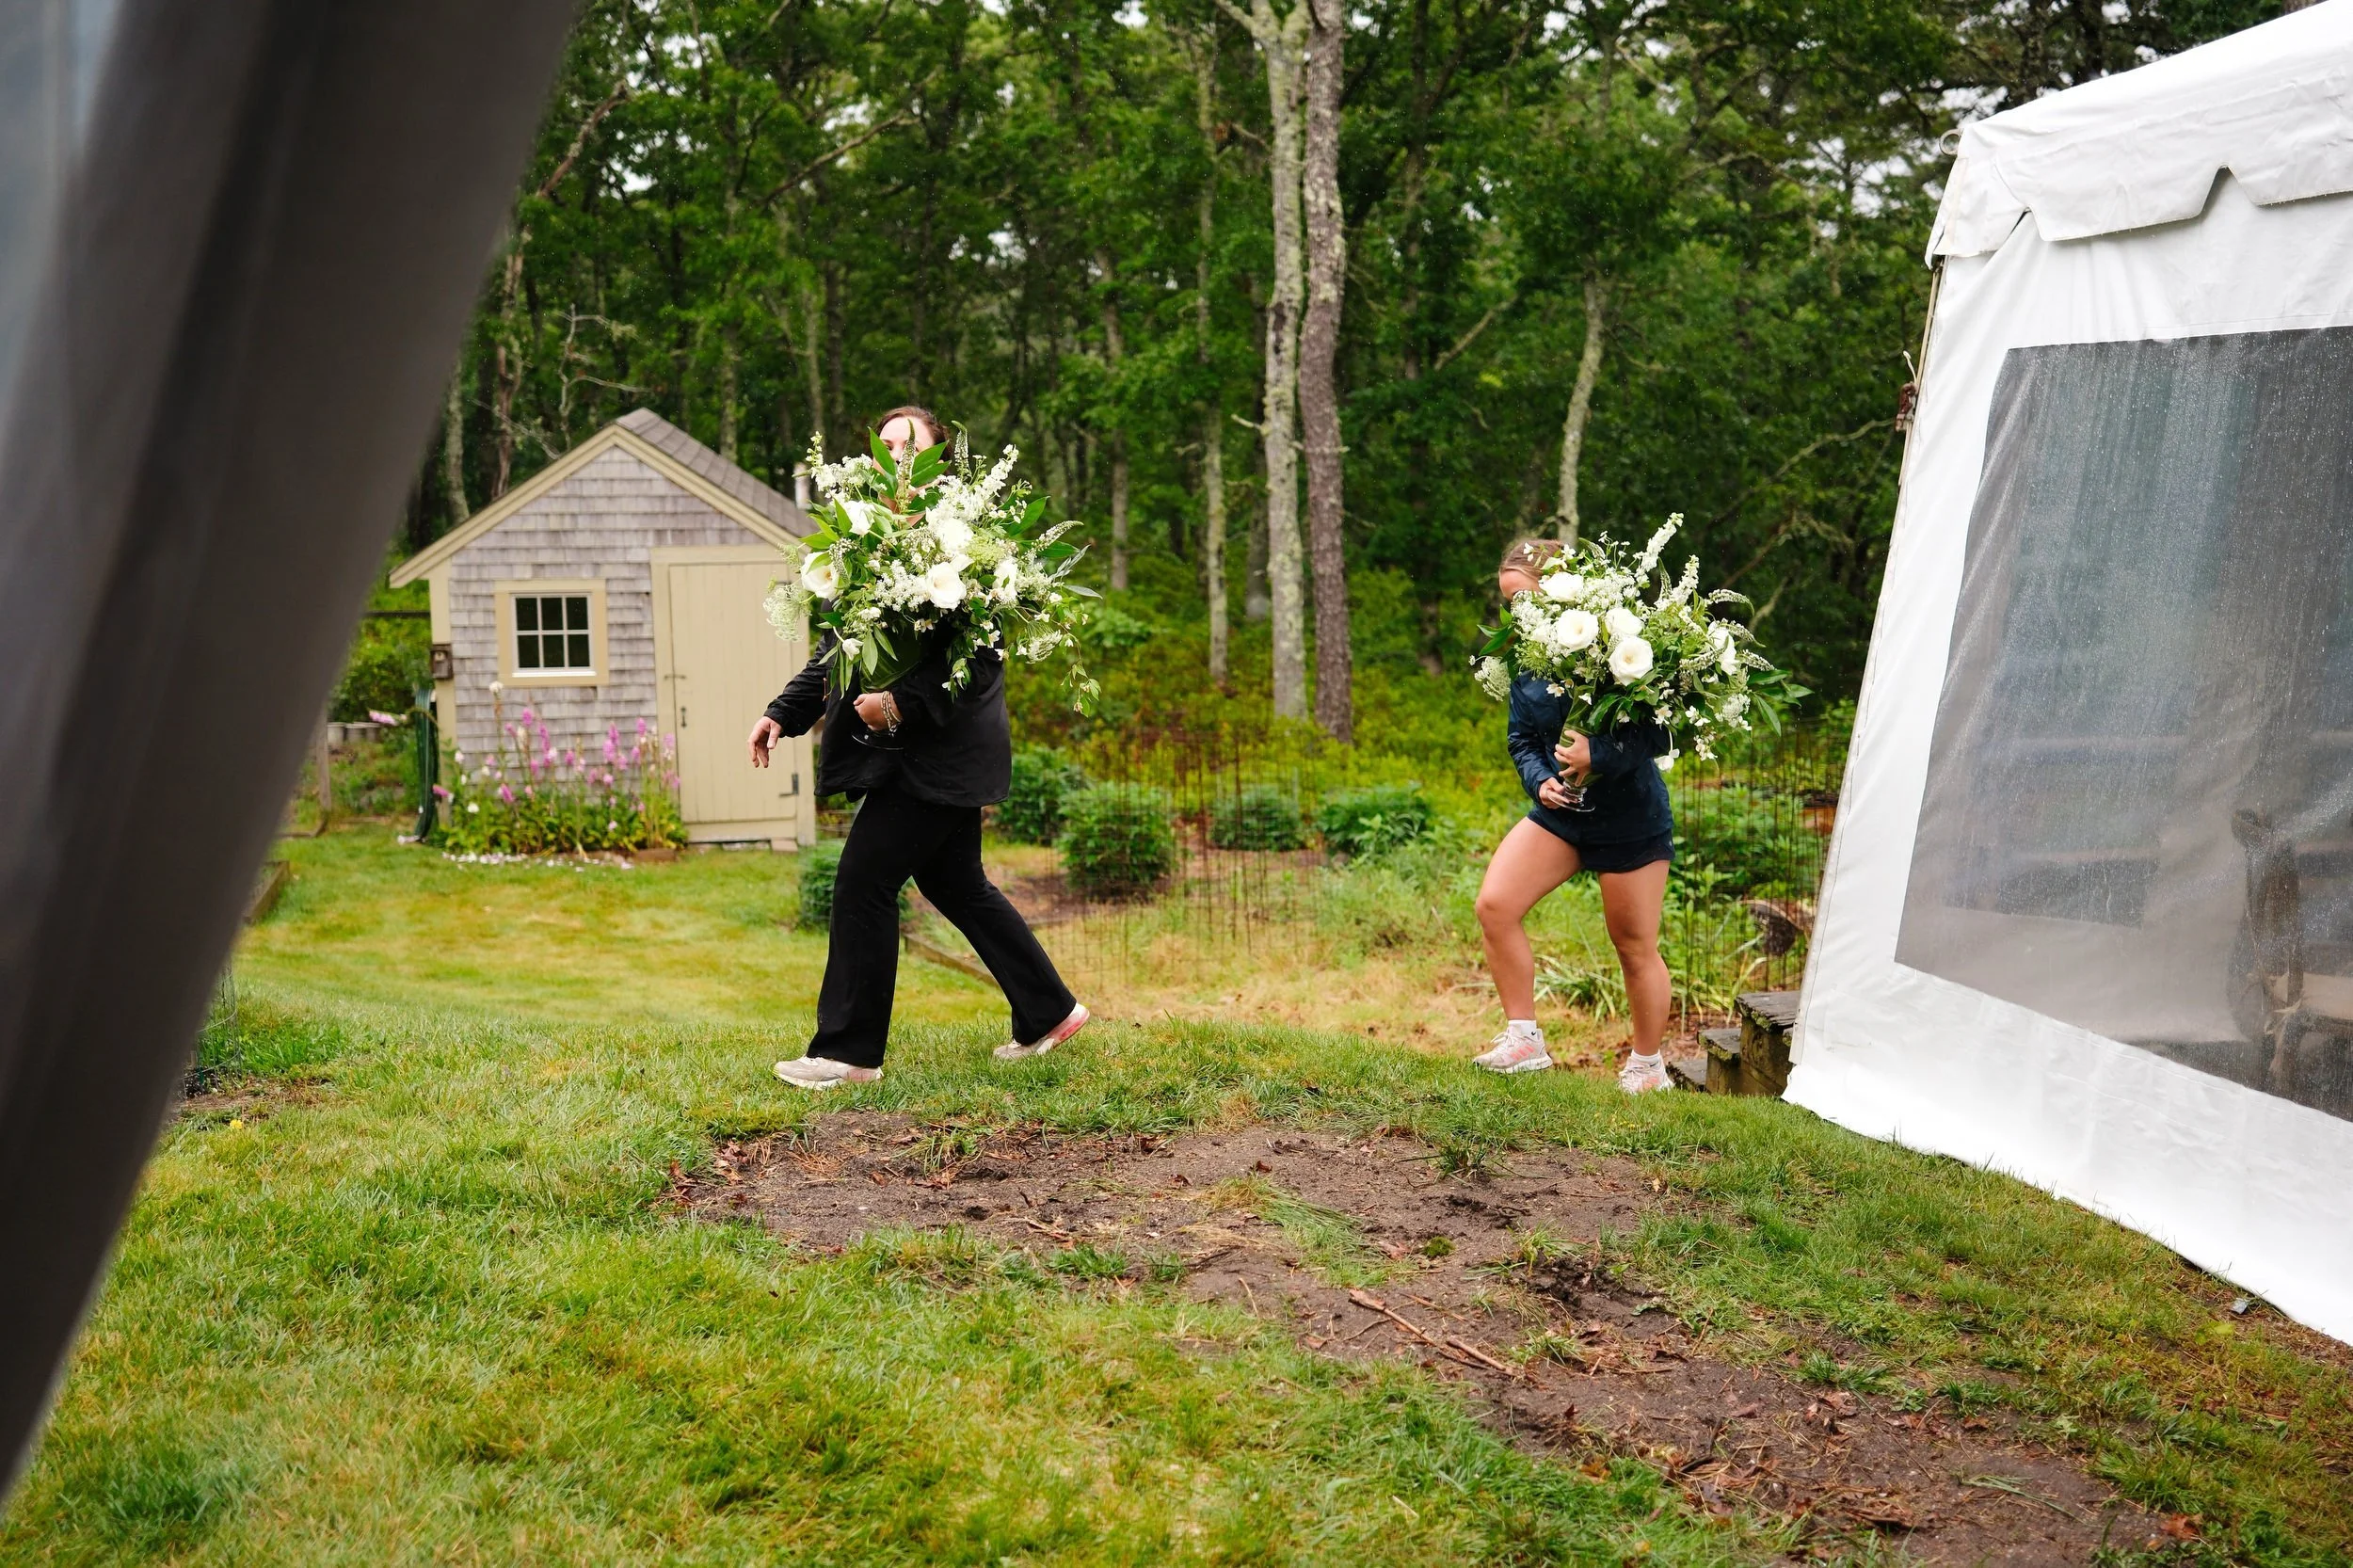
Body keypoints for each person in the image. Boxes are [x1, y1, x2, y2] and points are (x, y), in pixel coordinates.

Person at [748, 405, 1089, 1089]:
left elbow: (981, 659)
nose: (894, 459)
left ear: (938, 461)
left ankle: (847, 1053)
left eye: (909, 447)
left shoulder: (969, 542)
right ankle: (1049, 1012)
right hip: (914, 756)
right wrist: (783, 713)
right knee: (957, 884)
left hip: (941, 752)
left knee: (862, 884)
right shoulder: (866, 539)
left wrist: (899, 704)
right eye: (885, 448)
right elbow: (843, 648)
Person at [1471, 537, 1676, 1092]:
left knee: (1634, 946)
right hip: (1562, 815)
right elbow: (1521, 738)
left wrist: (1598, 755)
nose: (1518, 614)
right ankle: (1524, 1041)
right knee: (1495, 905)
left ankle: (1647, 1067)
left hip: (1630, 819)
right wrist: (1540, 783)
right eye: (1509, 603)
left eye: (1525, 600)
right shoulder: (1524, 656)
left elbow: (1657, 730)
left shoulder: (1615, 640)